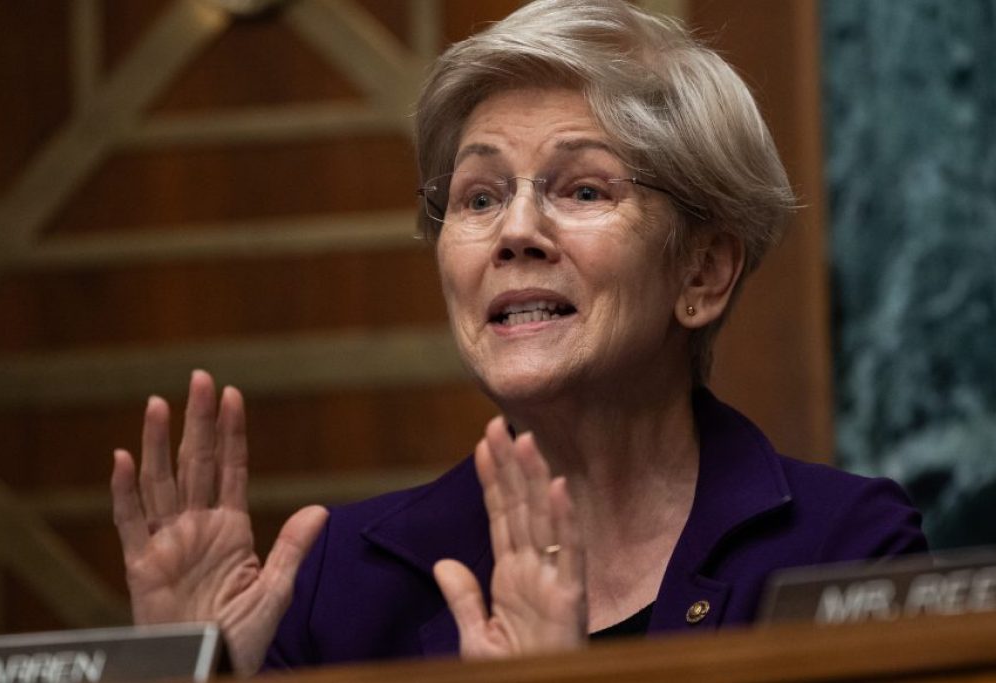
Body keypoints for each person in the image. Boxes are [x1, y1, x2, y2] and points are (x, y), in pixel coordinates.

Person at [109, 0, 927, 675]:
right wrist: (186, 672)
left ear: (702, 272)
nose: (515, 231)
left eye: (583, 189)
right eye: (478, 196)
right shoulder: (345, 581)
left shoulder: (843, 549)